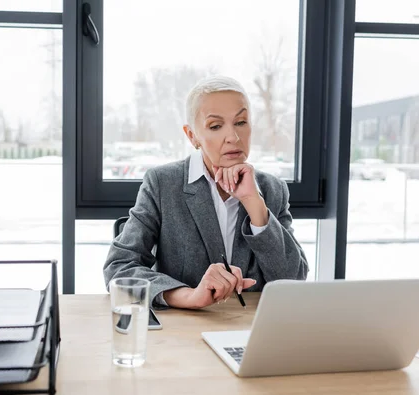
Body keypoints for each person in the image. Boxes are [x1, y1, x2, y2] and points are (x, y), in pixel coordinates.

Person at [103, 75, 308, 310]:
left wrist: (255, 204)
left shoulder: (272, 189)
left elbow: (293, 280)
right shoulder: (162, 184)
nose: (233, 137)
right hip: (184, 331)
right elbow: (119, 268)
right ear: (192, 136)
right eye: (216, 126)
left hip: (253, 331)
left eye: (241, 122)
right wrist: (187, 296)